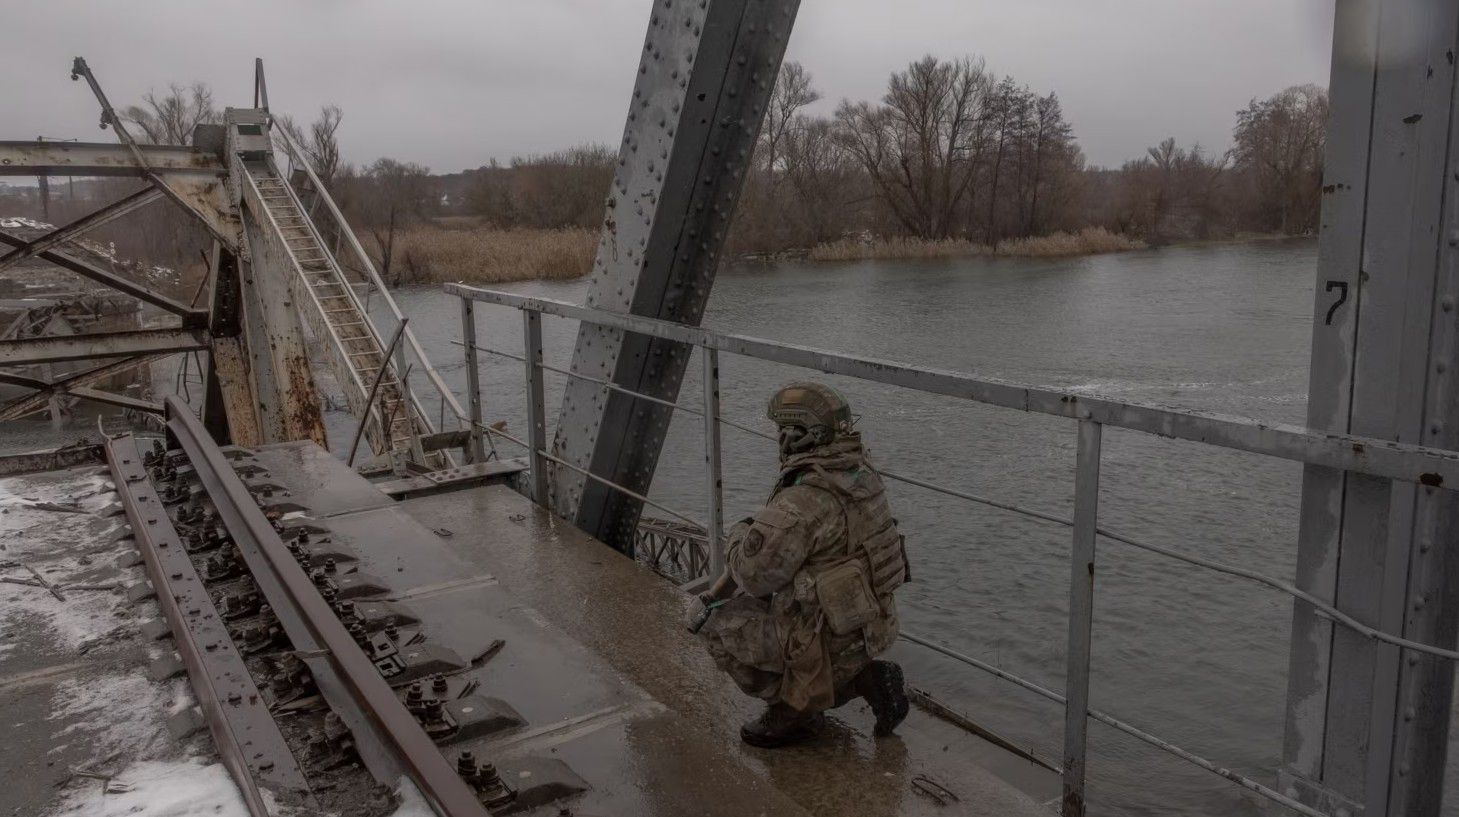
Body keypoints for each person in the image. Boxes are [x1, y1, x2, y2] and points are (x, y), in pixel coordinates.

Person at [688, 382, 910, 748]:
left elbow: (753, 576)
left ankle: (796, 711)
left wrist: (743, 533)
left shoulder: (803, 499)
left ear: (797, 435)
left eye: (781, 430)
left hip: (828, 642)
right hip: (873, 629)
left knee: (708, 620)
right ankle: (866, 678)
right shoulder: (864, 474)